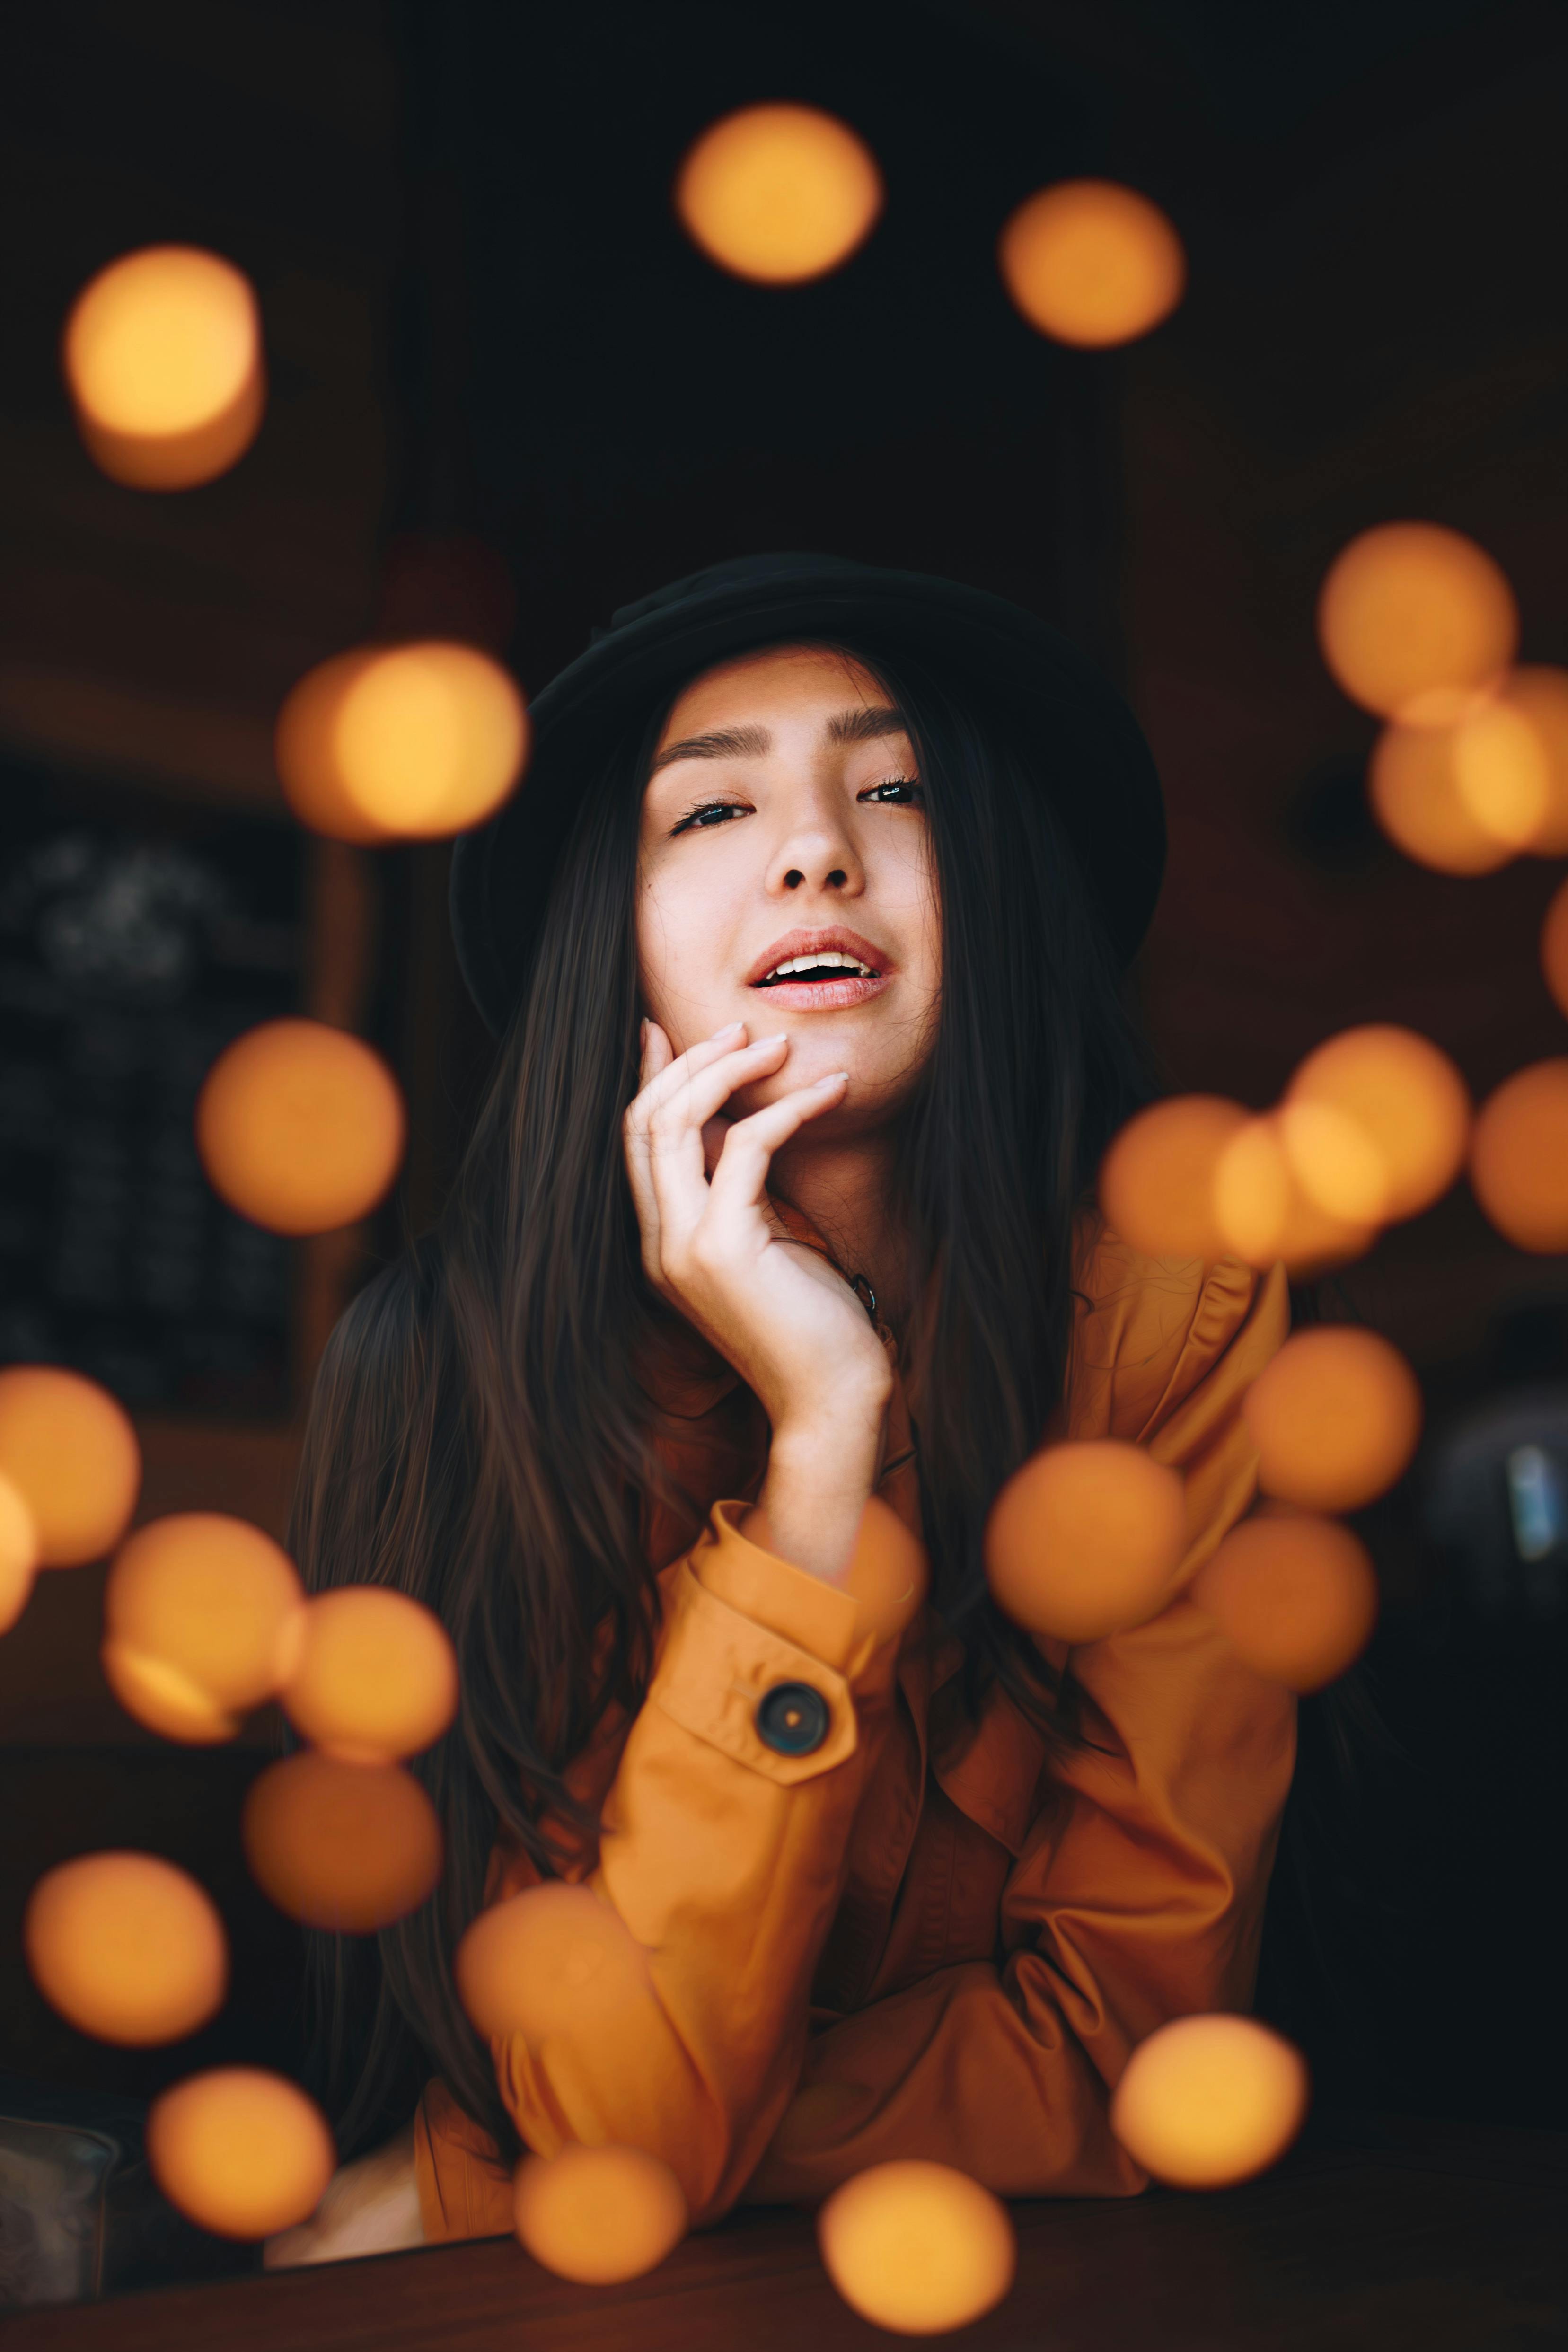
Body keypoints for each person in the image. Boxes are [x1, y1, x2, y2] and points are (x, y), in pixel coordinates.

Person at [264, 553, 1294, 2266]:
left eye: (892, 787)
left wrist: (483, 2180)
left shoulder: (1175, 1307)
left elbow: (1136, 2046)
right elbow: (626, 2115)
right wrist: (820, 1443)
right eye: (711, 810)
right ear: (618, 942)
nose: (817, 848)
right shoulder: (456, 1374)